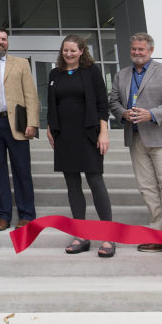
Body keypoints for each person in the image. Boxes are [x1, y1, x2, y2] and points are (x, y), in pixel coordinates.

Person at [108, 32, 162, 259]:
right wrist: (123, 114)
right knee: (147, 188)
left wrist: (151, 114)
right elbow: (113, 102)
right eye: (134, 49)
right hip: (136, 137)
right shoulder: (121, 75)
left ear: (150, 50)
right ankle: (156, 235)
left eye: (141, 49)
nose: (137, 53)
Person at [47, 35, 114, 257]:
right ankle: (81, 235)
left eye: (73, 51)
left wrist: (103, 132)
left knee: (96, 182)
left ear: (82, 51)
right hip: (64, 136)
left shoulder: (92, 72)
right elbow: (52, 103)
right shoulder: (54, 74)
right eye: (65, 50)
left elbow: (102, 104)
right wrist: (50, 127)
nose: (68, 54)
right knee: (73, 186)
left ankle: (108, 236)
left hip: (88, 134)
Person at [0, 27, 40, 231]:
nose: (0, 42)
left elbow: (30, 95)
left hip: (17, 124)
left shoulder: (21, 64)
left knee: (22, 170)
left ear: (7, 42)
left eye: (4, 39)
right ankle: (2, 215)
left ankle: (26, 214)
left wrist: (33, 123)